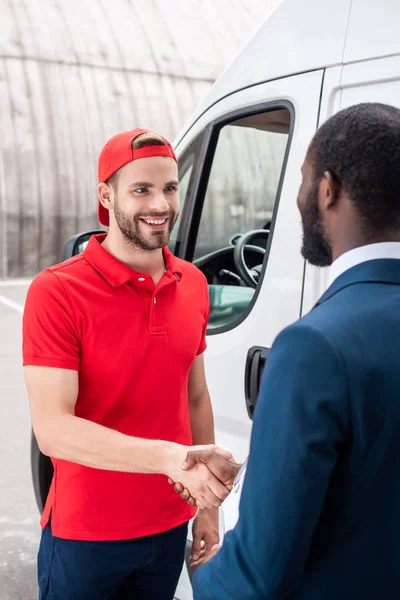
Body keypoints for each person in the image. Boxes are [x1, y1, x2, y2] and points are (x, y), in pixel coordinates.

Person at [172, 103, 400, 599]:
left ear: (327, 189)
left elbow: (257, 578)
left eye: (302, 180)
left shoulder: (314, 347)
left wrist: (205, 571)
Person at [23, 128, 233, 600]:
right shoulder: (56, 292)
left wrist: (207, 507)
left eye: (170, 187)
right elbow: (53, 429)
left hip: (167, 528)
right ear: (105, 194)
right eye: (142, 189)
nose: (161, 204)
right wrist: (169, 459)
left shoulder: (194, 283)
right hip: (86, 535)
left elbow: (194, 396)